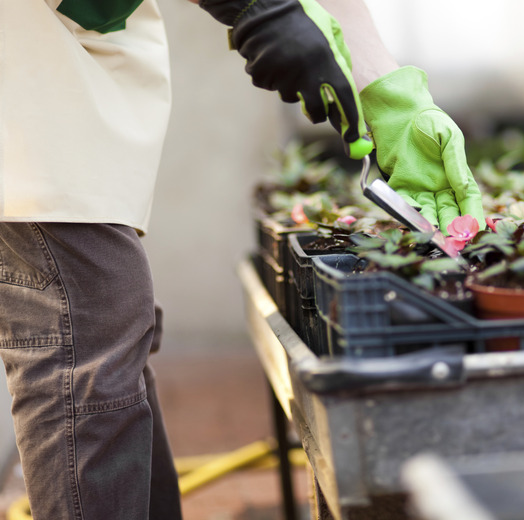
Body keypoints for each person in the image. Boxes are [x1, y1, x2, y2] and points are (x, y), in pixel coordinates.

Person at [0, 0, 483, 518]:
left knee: (109, 329)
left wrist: (389, 95)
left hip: (75, 68)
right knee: (88, 327)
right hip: (30, 67)